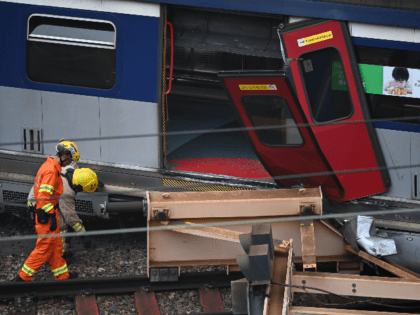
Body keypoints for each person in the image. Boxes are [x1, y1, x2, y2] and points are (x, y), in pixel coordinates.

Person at [14, 140, 80, 282]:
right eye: (70, 160)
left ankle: (63, 277)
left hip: (48, 213)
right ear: (65, 155)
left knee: (55, 247)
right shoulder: (51, 170)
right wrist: (51, 216)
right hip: (46, 215)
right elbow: (44, 198)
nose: (69, 163)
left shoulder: (50, 166)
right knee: (44, 249)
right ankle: (21, 279)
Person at [27, 165, 99, 257]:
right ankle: (60, 254)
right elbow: (70, 217)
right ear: (79, 186)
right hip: (39, 207)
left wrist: (93, 183)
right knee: (64, 225)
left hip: (40, 199)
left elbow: (80, 172)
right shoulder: (66, 191)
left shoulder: (69, 170)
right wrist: (84, 235)